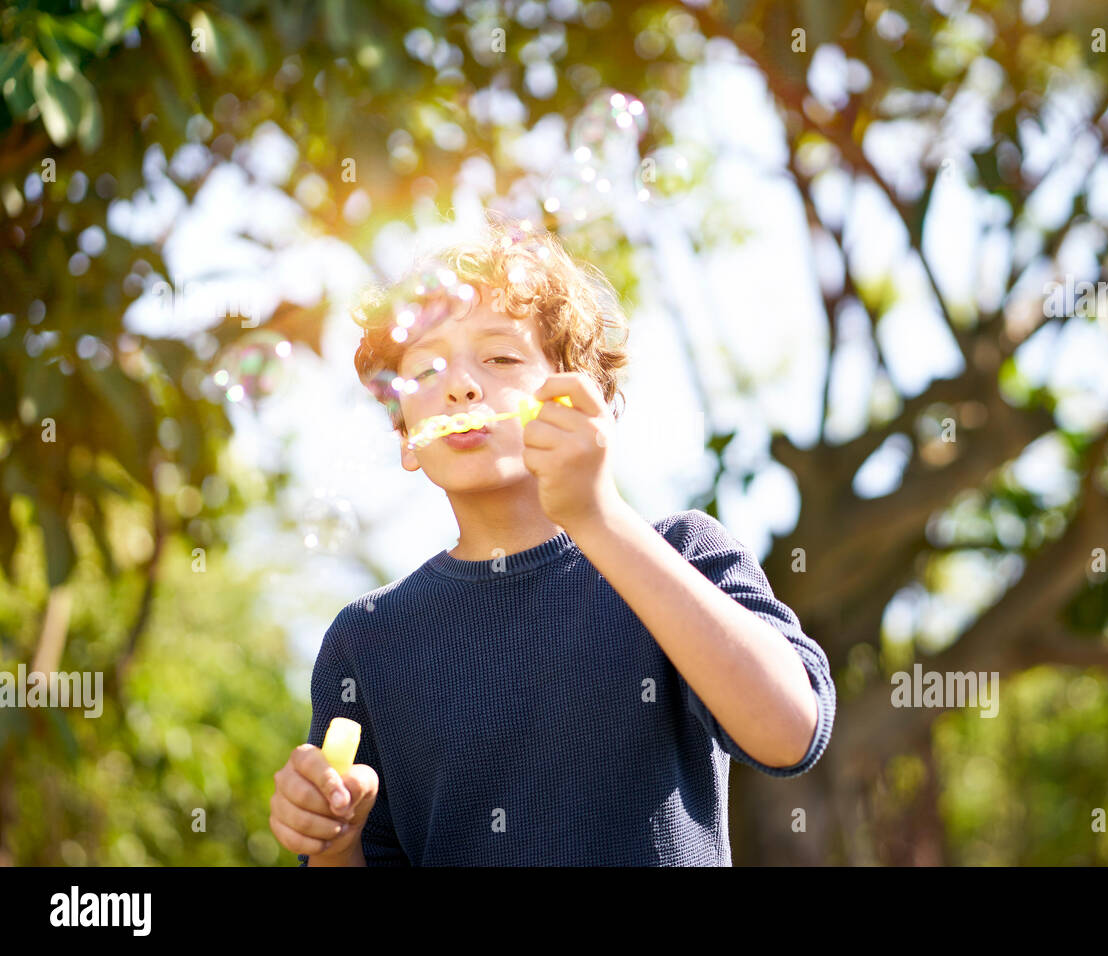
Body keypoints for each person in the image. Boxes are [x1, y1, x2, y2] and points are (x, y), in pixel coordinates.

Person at [269, 218, 835, 865]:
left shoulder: (682, 554)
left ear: (575, 397)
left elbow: (790, 732)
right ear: (405, 438)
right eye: (425, 370)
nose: (461, 385)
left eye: (501, 357)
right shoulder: (367, 639)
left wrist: (598, 518)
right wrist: (335, 841)